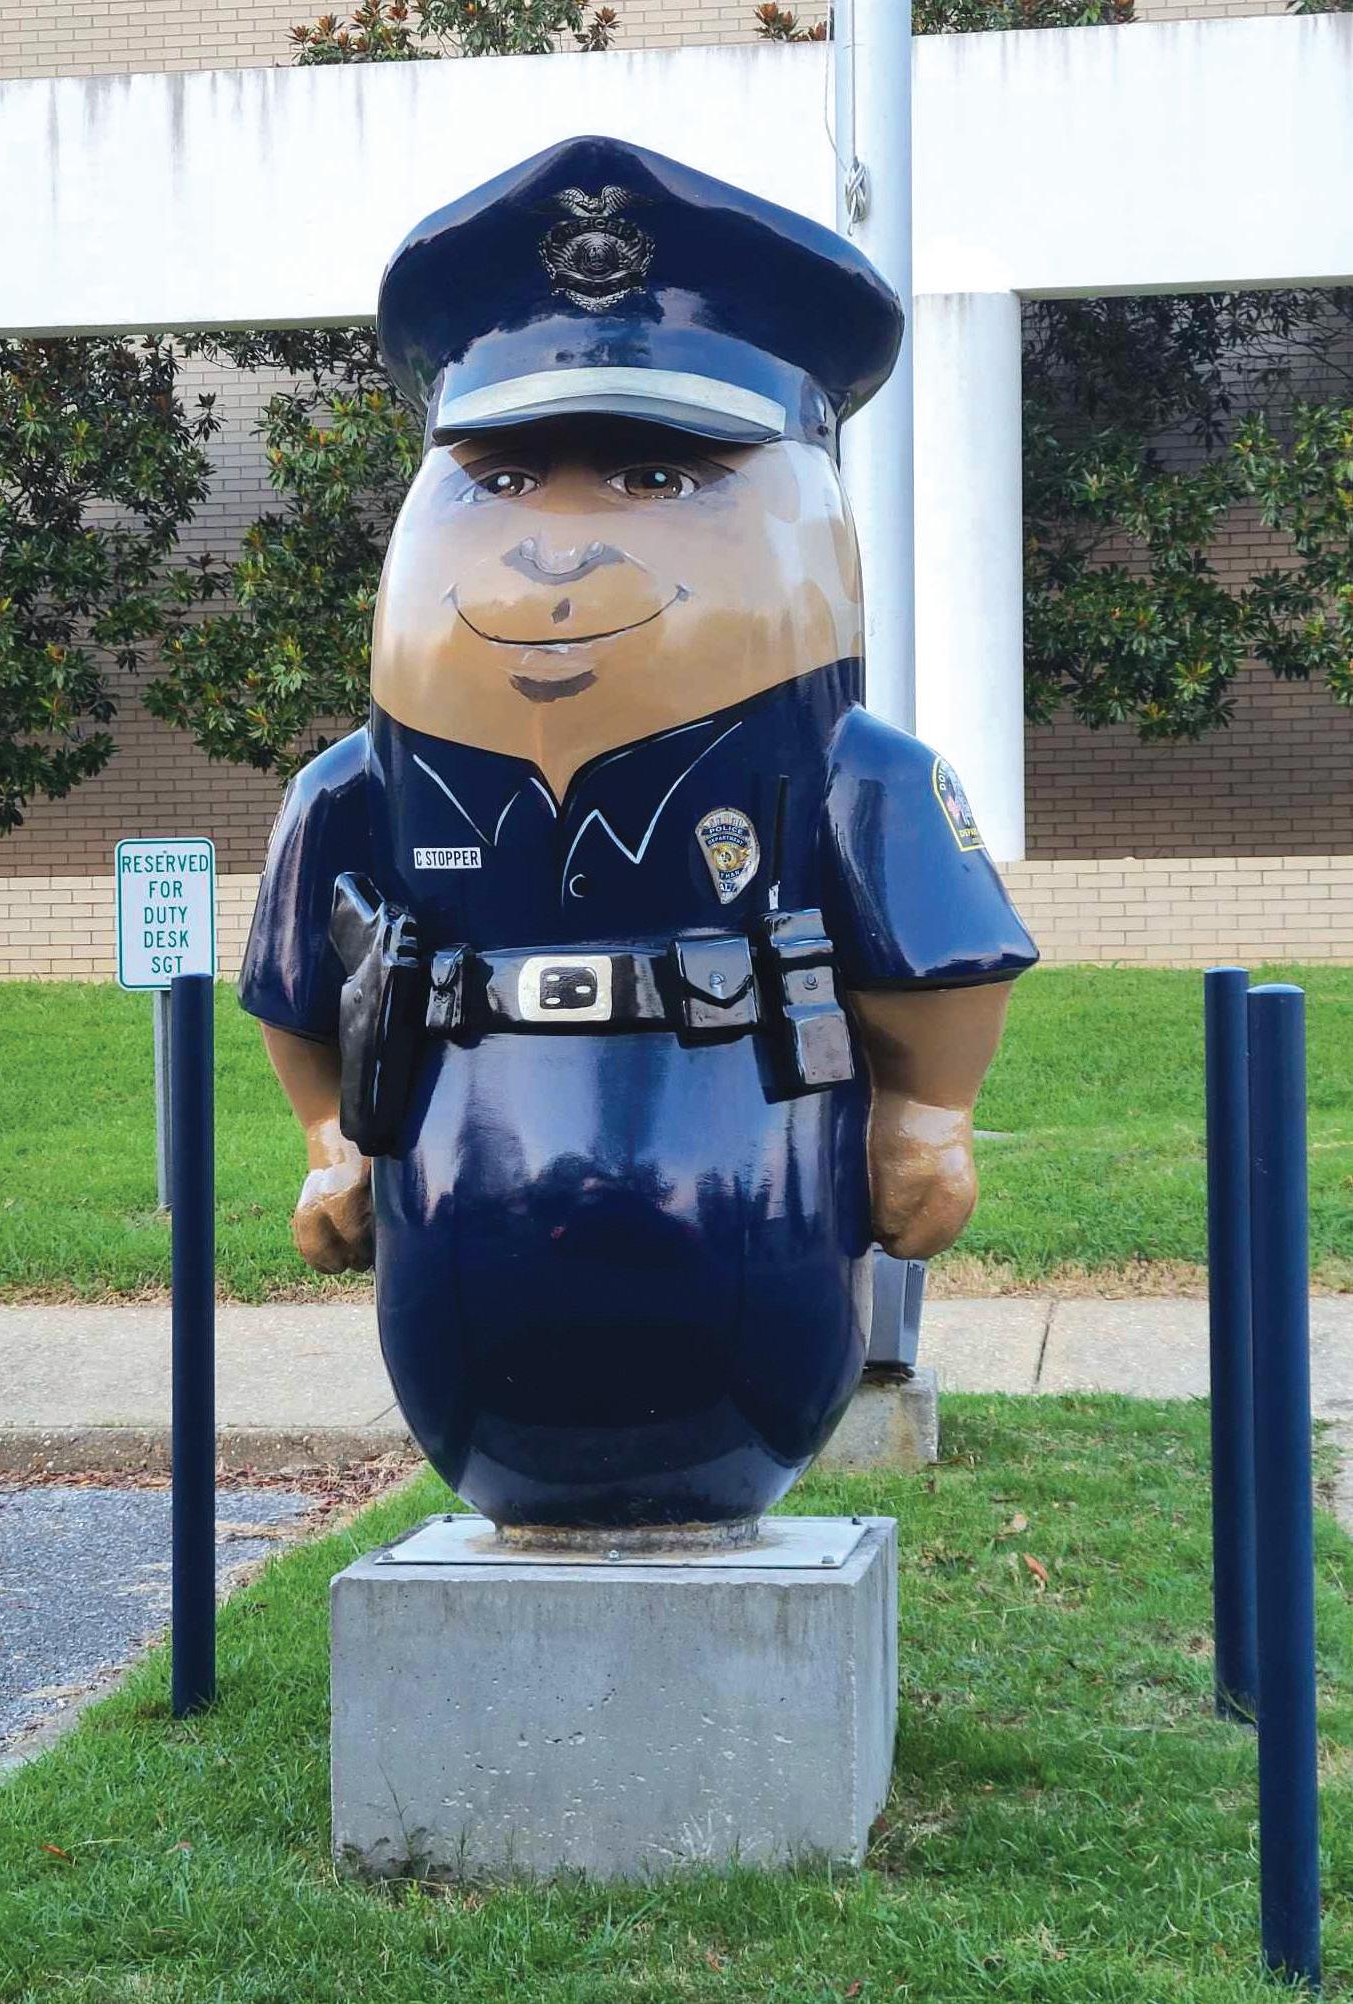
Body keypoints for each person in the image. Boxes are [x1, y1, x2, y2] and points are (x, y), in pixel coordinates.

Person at [240, 135, 1037, 1532]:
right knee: (488, 1407)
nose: (558, 541)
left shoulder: (855, 771)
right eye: (501, 479)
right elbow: (300, 985)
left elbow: (943, 966)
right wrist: (332, 1137)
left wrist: (925, 1118)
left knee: (738, 1404)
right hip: (462, 1171)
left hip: (750, 1167)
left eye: (658, 479)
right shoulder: (356, 788)